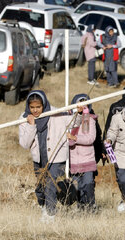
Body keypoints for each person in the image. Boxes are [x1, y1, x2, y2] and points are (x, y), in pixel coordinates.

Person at [19, 90, 82, 223]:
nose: (35, 110)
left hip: (56, 156)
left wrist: (79, 113)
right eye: (32, 107)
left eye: (38, 107)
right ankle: (43, 207)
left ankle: (51, 214)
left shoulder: (57, 113)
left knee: (50, 184)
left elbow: (74, 123)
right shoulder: (24, 118)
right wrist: (31, 126)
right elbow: (24, 144)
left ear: (44, 105)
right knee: (40, 186)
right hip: (39, 158)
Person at [66, 94, 98, 212]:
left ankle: (91, 204)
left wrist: (75, 138)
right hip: (73, 160)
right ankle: (81, 206)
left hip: (87, 159)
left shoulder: (90, 120)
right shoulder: (69, 120)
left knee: (88, 183)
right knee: (77, 185)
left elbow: (90, 138)